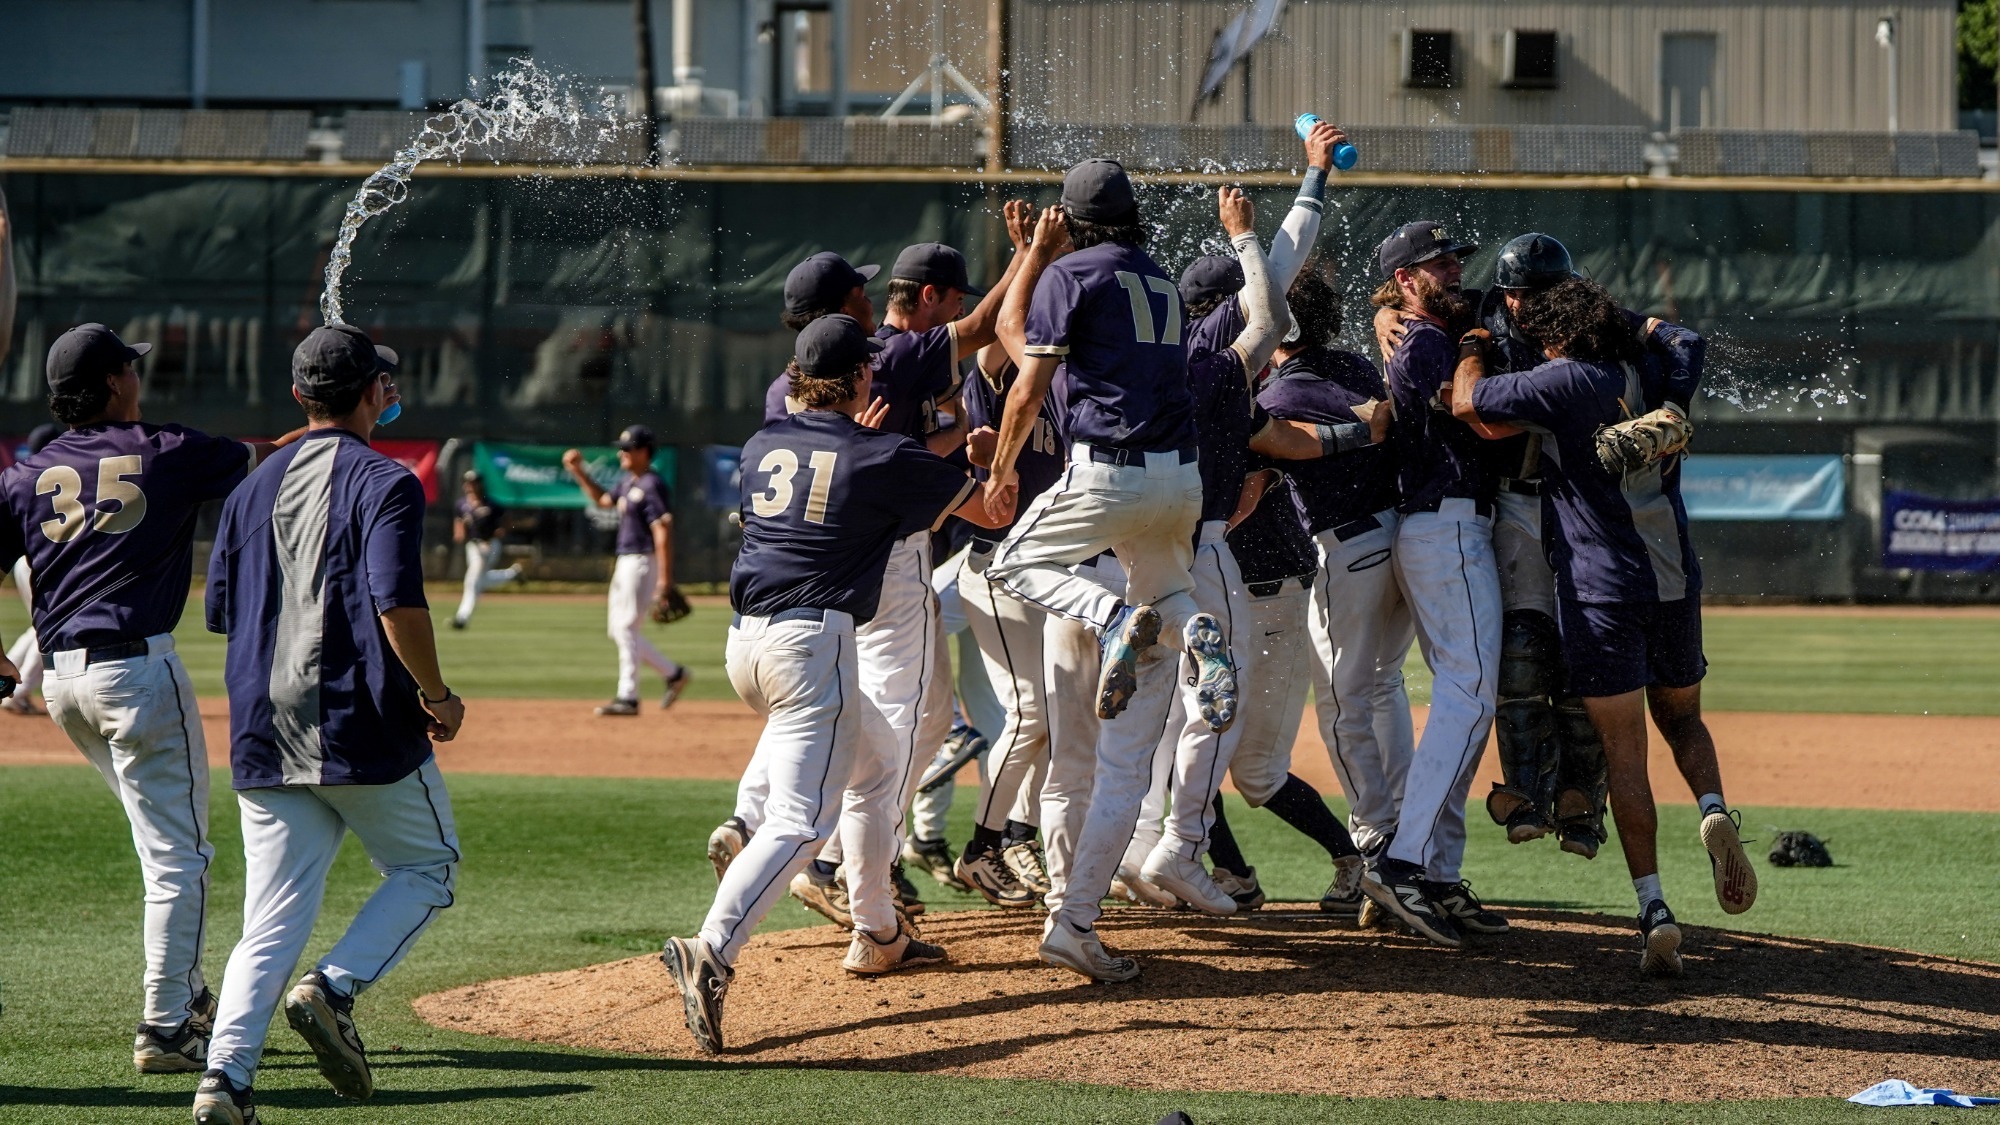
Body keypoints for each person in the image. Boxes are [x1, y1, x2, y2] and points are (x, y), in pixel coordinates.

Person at [660, 314, 1009, 1053]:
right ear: (859, 379)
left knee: (876, 766)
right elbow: (990, 509)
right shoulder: (880, 452)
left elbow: (831, 475)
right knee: (797, 820)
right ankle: (711, 951)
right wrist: (987, 454)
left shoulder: (761, 444)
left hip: (746, 644)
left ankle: (879, 929)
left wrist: (881, 446)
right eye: (867, 370)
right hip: (809, 646)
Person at [0, 325, 301, 1081]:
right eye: (127, 367)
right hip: (136, 672)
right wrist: (321, 428)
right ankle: (167, 1025)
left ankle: (186, 991)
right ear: (110, 383)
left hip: (64, 684)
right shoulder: (165, 449)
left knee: (158, 846)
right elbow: (260, 461)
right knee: (180, 858)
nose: (138, 375)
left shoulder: (29, 472)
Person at [193, 323, 466, 1124]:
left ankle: (226, 1079)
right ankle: (334, 985)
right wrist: (438, 693)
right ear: (375, 392)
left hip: (260, 732)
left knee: (269, 919)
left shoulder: (251, 486)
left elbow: (218, 612)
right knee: (429, 867)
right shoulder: (387, 481)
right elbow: (397, 603)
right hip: (361, 724)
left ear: (296, 395)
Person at [1453, 276, 1754, 976]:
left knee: (1625, 756)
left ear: (1553, 335)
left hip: (1600, 591)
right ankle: (1713, 806)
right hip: (1674, 578)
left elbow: (1467, 400)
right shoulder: (1647, 367)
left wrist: (1471, 344)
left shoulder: (1561, 381)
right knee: (1683, 719)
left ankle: (1654, 908)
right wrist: (1663, 380)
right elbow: (1686, 337)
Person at [981, 162, 1236, 983]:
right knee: (1129, 761)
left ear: (1075, 223)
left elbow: (1025, 384)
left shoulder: (1070, 274)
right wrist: (1037, 260)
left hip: (1108, 475)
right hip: (1179, 483)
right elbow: (1038, 337)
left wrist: (1003, 469)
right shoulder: (1159, 279)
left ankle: (1126, 617)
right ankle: (1073, 924)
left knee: (1015, 558)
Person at [1358, 221, 1507, 949]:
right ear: (1407, 279)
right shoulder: (1418, 341)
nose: (1453, 268)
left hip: (1447, 526)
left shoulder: (1429, 325)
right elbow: (1475, 413)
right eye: (1436, 262)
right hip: (1444, 525)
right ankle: (1403, 860)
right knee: (1470, 690)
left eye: (1455, 256)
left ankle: (1438, 869)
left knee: (1469, 699)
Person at [561, 426, 690, 717]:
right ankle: (673, 673)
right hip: (625, 560)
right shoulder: (629, 481)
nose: (622, 453)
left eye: (627, 448)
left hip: (643, 561)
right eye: (621, 448)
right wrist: (579, 471)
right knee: (618, 630)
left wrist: (665, 581)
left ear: (644, 452)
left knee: (626, 628)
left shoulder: (652, 485)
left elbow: (663, 531)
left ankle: (628, 697)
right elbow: (603, 501)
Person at [2, 422, 61, 714]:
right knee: (51, 627)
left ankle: (9, 688)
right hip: (40, 561)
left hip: (20, 562)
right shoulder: (58, 474)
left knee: (40, 627)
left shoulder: (23, 474)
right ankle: (19, 693)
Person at [450, 469, 520, 630]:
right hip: (473, 546)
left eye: (473, 482)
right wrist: (459, 532)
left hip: (490, 545)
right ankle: (512, 574)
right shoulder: (462, 504)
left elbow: (507, 521)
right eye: (467, 482)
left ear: (480, 484)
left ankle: (462, 617)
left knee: (472, 581)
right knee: (479, 581)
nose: (470, 486)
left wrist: (501, 531)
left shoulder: (491, 504)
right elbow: (459, 525)